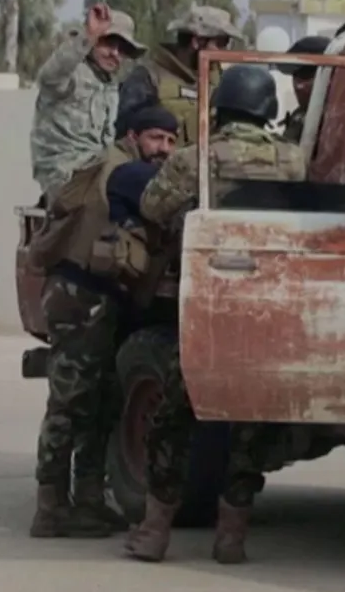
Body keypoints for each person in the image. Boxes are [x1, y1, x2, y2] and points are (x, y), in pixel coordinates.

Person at [125, 65, 306, 565]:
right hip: (271, 305)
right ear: (267, 109)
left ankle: (154, 532)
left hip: (211, 303)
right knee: (250, 421)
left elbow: (152, 207)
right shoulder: (295, 160)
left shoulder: (197, 159)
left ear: (221, 106)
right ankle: (231, 539)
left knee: (175, 418)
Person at [28, 106, 179, 539]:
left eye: (170, 142)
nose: (164, 150)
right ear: (132, 136)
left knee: (102, 399)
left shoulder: (121, 166)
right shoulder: (126, 172)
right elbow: (172, 195)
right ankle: (51, 504)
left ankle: (89, 498)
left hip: (98, 298)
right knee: (70, 401)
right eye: (155, 139)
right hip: (81, 297)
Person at [30, 4, 146, 204]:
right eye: (108, 43)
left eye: (123, 49)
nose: (115, 54)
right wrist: (88, 35)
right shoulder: (73, 75)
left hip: (98, 172)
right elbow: (50, 76)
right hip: (65, 176)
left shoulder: (110, 86)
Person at [115, 5, 245, 144]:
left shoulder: (222, 80)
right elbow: (127, 136)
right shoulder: (148, 77)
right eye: (220, 43)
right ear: (197, 41)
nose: (224, 51)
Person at [277, 34, 331, 144]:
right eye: (295, 75)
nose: (299, 85)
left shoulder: (338, 117)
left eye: (307, 73)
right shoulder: (300, 115)